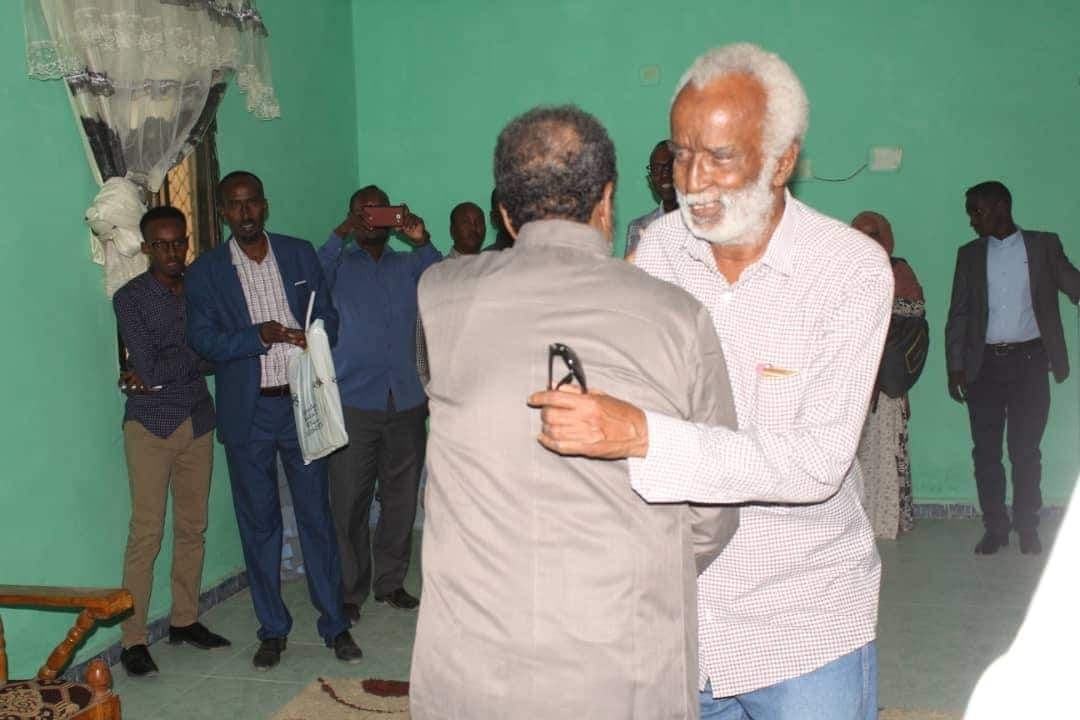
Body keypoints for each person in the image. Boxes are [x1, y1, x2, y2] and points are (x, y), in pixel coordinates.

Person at [530, 44, 892, 720]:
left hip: (801, 626)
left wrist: (644, 437)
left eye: (720, 157)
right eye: (680, 155)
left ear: (781, 161)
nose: (693, 181)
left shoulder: (849, 270)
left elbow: (817, 462)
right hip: (678, 619)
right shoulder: (658, 252)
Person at [409, 105, 739, 720]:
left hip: (476, 656)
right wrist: (648, 566)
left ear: (506, 214)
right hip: (621, 655)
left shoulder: (439, 294)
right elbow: (713, 509)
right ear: (607, 201)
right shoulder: (679, 317)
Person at [185, 171, 362, 670]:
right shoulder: (206, 271)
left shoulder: (298, 252)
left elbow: (328, 313)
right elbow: (204, 340)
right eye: (235, 205)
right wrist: (257, 336)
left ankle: (335, 624)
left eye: (253, 203)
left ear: (265, 205)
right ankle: (273, 629)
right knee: (259, 524)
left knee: (315, 517)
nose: (245, 213)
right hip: (250, 413)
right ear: (222, 212)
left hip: (301, 405)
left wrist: (315, 333)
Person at [113, 206, 229, 677]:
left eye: (178, 242)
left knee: (192, 528)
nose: (172, 251)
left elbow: (217, 356)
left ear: (187, 242)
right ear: (146, 249)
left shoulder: (200, 289)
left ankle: (184, 620)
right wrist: (195, 351)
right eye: (161, 245)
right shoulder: (130, 299)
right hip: (151, 428)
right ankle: (133, 640)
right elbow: (152, 366)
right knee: (146, 533)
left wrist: (178, 360)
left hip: (197, 422)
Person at [318, 185, 440, 620]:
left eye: (379, 211)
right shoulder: (337, 265)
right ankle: (351, 590)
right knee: (348, 500)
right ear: (352, 218)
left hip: (405, 400)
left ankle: (390, 582)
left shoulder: (407, 265)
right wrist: (341, 232)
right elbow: (311, 278)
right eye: (362, 212)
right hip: (353, 400)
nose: (371, 219)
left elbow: (442, 282)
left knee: (400, 499)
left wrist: (421, 239)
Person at [945, 181, 1080, 555]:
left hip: (1030, 364)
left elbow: (1072, 282)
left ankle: (1027, 525)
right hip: (983, 367)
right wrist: (955, 366)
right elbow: (959, 313)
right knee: (986, 452)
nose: (972, 220)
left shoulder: (1043, 246)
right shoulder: (969, 255)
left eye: (978, 212)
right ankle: (995, 527)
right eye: (971, 213)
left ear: (1001, 207)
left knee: (1025, 451)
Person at [852, 211, 925, 539]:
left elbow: (915, 310)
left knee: (887, 449)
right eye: (860, 234)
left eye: (873, 235)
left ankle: (887, 520)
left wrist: (877, 303)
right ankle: (856, 521)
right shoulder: (847, 269)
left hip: (887, 379)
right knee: (855, 454)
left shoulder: (899, 270)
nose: (867, 241)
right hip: (854, 377)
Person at [625, 139, 679, 258]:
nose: (664, 174)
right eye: (656, 169)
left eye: (669, 167)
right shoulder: (638, 227)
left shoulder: (701, 224)